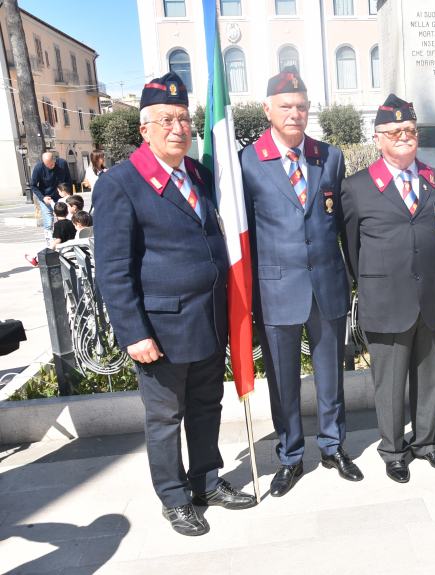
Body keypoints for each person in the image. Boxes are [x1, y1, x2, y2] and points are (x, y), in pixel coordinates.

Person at [94, 72, 255, 537]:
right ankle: (174, 496)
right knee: (165, 417)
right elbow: (113, 269)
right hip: (160, 330)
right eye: (165, 119)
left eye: (184, 118)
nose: (178, 128)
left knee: (208, 405)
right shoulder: (121, 183)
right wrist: (134, 333)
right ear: (144, 129)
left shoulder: (198, 173)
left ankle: (206, 480)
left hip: (206, 318)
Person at [240, 67, 363, 497]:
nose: (295, 114)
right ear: (268, 109)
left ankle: (333, 446)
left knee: (331, 374)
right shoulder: (248, 161)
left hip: (326, 284)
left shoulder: (328, 156)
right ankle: (291, 455)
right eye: (286, 107)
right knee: (283, 380)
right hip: (276, 289)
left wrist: (356, 277)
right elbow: (246, 236)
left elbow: (342, 225)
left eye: (302, 107)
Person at [342, 94, 435, 483]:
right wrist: (373, 284)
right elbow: (351, 246)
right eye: (394, 131)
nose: (404, 136)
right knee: (389, 383)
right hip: (386, 299)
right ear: (378, 139)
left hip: (430, 297)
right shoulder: (356, 188)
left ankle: (426, 442)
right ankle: (392, 450)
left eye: (409, 129)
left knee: (429, 377)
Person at [30, 151, 71, 246]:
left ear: (54, 160)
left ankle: (66, 240)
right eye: (46, 164)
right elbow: (33, 186)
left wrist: (69, 196)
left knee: (66, 220)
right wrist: (42, 198)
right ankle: (50, 244)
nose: (49, 166)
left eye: (51, 164)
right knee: (48, 223)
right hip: (46, 199)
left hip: (62, 198)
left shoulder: (62, 164)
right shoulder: (39, 168)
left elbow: (68, 180)